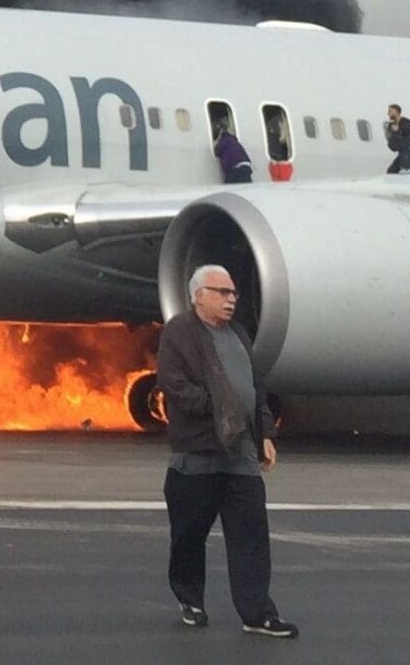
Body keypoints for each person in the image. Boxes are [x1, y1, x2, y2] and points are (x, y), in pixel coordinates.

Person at [157, 263, 297, 639]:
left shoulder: (239, 334)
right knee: (188, 535)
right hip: (197, 455)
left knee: (251, 535)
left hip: (241, 454)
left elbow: (255, 387)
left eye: (233, 292)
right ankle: (190, 598)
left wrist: (264, 432)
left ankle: (257, 613)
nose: (231, 299)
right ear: (198, 296)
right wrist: (219, 408)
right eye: (222, 292)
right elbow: (173, 383)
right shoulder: (180, 332)